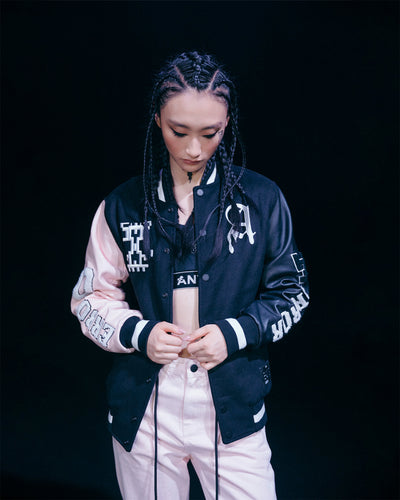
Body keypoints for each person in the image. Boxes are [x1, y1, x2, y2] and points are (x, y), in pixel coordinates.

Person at [71, 51, 309, 500]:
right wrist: (139, 333)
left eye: (210, 133)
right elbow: (90, 298)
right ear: (157, 120)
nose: (194, 149)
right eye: (178, 131)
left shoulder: (262, 199)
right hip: (146, 407)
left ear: (227, 123)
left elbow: (292, 290)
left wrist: (234, 333)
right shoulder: (122, 206)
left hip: (230, 403)